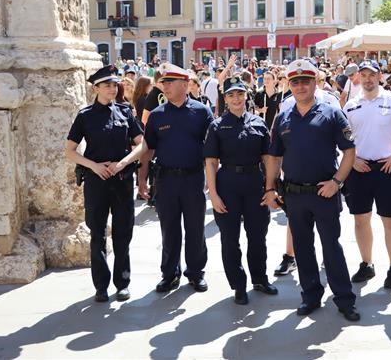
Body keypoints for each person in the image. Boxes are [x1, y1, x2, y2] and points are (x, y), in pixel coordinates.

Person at [262, 59, 360, 321]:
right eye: (295, 82)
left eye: (306, 81)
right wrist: (270, 188)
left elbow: (349, 152)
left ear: (315, 83)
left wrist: (337, 182)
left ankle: (344, 299)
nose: (301, 86)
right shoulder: (283, 117)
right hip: (294, 195)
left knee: (331, 248)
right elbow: (274, 157)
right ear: (289, 85)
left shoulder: (331, 113)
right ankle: (311, 295)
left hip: (324, 192)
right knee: (303, 249)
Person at [64, 65, 143, 303]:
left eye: (114, 84)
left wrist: (123, 162)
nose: (112, 88)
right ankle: (101, 286)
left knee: (123, 233)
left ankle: (122, 283)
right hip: (96, 181)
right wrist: (93, 166)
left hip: (121, 180)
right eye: (107, 85)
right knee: (97, 234)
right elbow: (70, 151)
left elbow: (141, 143)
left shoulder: (125, 111)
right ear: (96, 88)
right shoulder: (85, 115)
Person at [137, 63, 214, 294]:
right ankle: (169, 274)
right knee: (169, 229)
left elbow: (211, 150)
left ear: (185, 84)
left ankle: (196, 273)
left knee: (195, 228)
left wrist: (212, 178)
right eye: (163, 83)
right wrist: (141, 180)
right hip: (166, 180)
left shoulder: (201, 112)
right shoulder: (158, 115)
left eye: (170, 82)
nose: (165, 87)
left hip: (192, 178)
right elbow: (147, 150)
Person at [204, 76, 278, 305]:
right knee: (230, 238)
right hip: (228, 185)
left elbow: (268, 158)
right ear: (225, 99)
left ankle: (260, 278)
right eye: (231, 95)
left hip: (255, 183)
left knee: (258, 235)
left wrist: (270, 188)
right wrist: (213, 195)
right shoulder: (216, 126)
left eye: (240, 93)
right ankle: (238, 285)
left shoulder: (258, 123)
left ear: (246, 95)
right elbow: (211, 162)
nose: (236, 99)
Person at [343, 60, 391, 289]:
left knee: (390, 221)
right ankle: (367, 264)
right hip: (359, 170)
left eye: (372, 75)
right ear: (358, 78)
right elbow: (341, 139)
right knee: (361, 220)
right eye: (363, 75)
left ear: (379, 76)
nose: (367, 79)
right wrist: (352, 161)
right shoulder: (351, 105)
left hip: (387, 169)